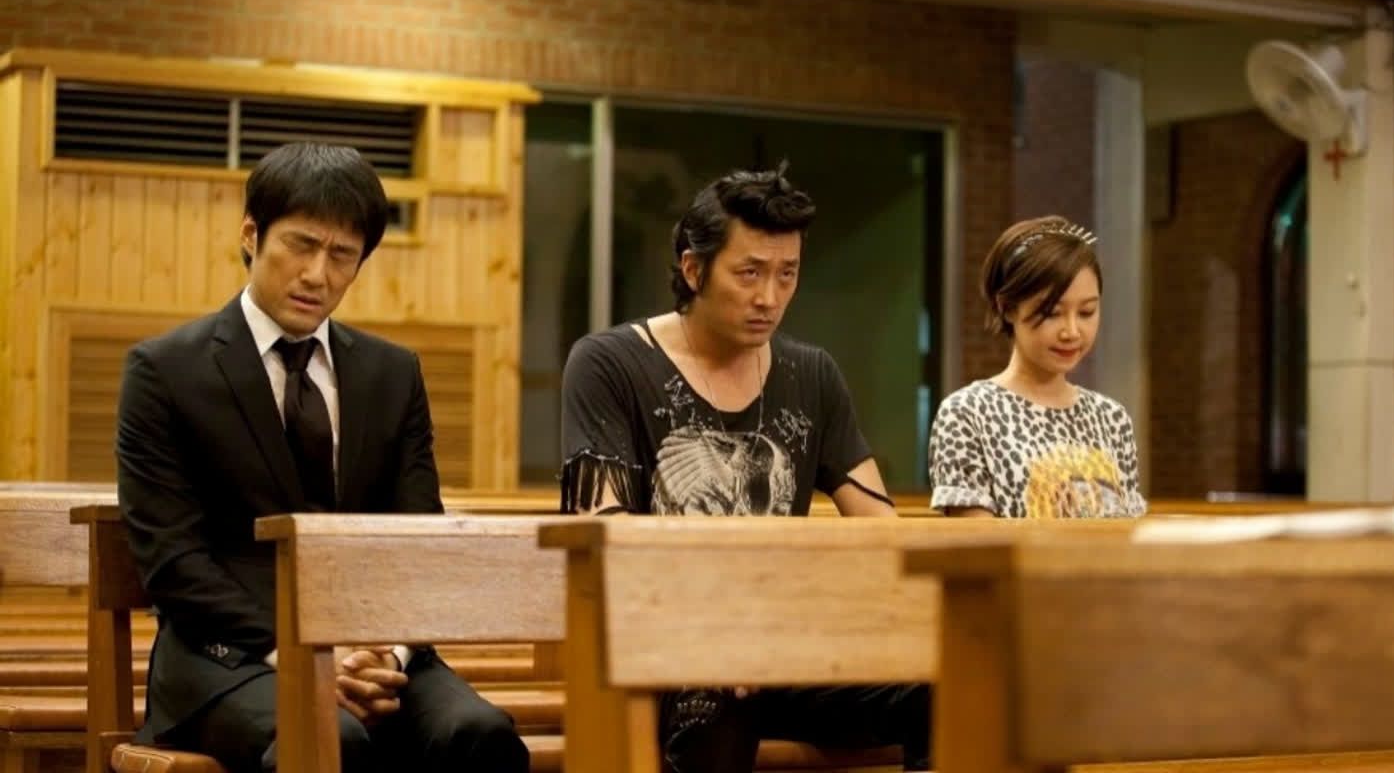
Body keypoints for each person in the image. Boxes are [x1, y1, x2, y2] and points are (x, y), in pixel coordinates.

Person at [116, 142, 529, 773]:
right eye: (301, 245)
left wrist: (386, 652)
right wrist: (303, 657)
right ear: (251, 234)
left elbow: (419, 539)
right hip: (229, 657)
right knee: (330, 737)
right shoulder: (165, 371)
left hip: (371, 647)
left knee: (481, 734)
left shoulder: (392, 374)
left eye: (342, 255)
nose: (318, 274)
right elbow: (172, 561)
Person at [558, 163, 929, 772]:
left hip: (786, 646)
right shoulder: (608, 364)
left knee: (944, 686)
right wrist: (720, 630)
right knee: (715, 706)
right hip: (665, 647)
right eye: (749, 273)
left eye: (788, 274)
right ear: (693, 269)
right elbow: (606, 538)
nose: (769, 298)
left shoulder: (812, 375)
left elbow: (880, 532)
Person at [928, 215, 1147, 519]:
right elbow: (976, 541)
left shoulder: (1112, 418)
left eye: (1086, 312)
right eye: (1052, 313)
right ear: (1007, 308)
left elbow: (1129, 533)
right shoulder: (968, 414)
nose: (1072, 331)